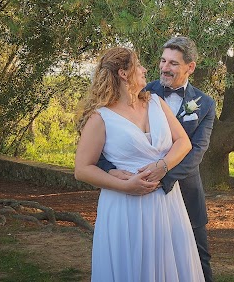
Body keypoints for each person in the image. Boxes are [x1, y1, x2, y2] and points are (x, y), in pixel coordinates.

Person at [74, 46, 205, 282]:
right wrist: (126, 187)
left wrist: (162, 166)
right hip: (125, 207)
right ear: (123, 73)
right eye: (139, 65)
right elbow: (82, 169)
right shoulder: (100, 117)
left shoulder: (155, 102)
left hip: (167, 205)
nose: (145, 70)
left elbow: (183, 142)